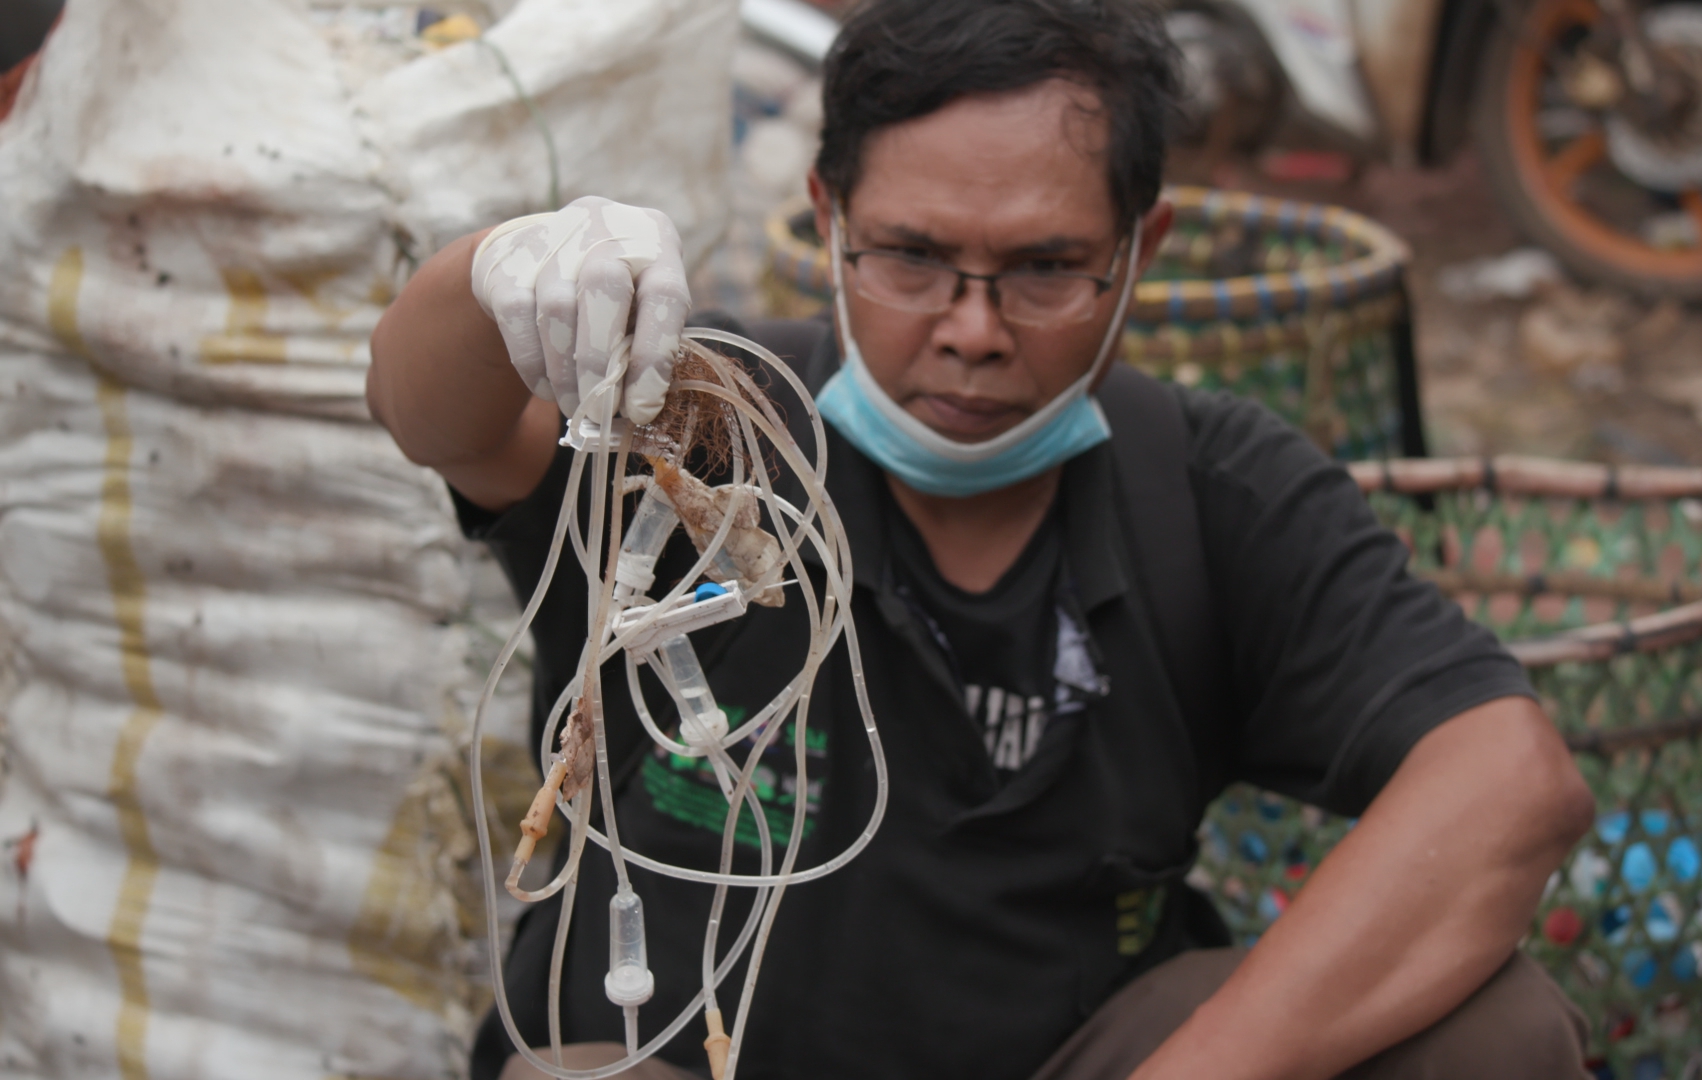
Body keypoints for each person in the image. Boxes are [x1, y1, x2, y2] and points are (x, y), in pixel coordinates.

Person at [366, 2, 1597, 1078]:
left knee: (1488, 1036)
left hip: (1076, 1053)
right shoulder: (704, 428)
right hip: (685, 1057)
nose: (973, 328)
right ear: (828, 217)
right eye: (911, 256)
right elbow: (436, 417)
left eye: (1047, 268)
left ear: (1137, 255)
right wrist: (488, 280)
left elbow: (1508, 778)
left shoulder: (1211, 492)